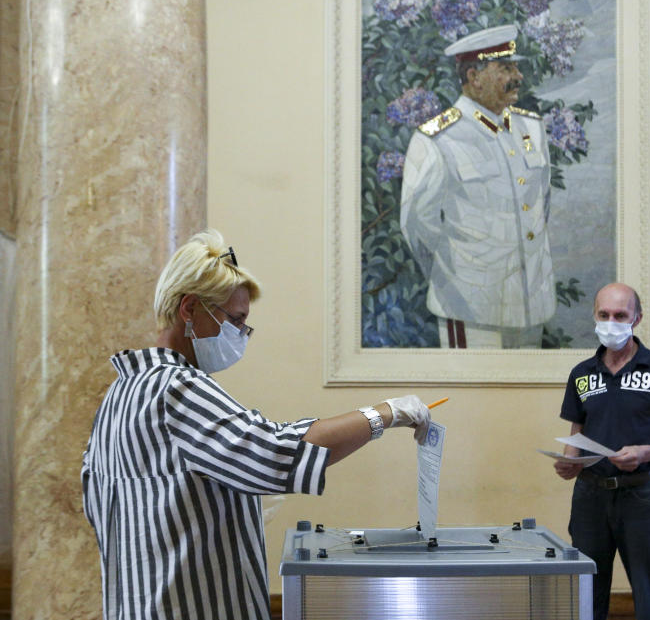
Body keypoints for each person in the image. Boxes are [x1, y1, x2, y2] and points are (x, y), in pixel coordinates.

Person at [81, 230, 431, 620]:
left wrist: (223, 505)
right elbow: (274, 451)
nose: (241, 335)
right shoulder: (178, 387)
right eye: (235, 320)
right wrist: (384, 414)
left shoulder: (122, 391)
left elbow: (108, 504)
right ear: (189, 309)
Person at [400, 24, 555, 349]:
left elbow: (541, 204)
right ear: (474, 77)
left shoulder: (532, 127)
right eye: (506, 69)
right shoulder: (438, 138)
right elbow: (417, 225)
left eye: (515, 67)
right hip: (470, 306)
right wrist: (455, 277)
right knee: (472, 396)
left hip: (531, 302)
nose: (518, 76)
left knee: (526, 396)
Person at [553, 282, 650, 620]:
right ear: (594, 316)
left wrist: (645, 453)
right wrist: (568, 463)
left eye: (620, 315)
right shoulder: (582, 374)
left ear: (637, 318)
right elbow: (577, 437)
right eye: (604, 315)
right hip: (589, 497)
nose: (611, 322)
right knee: (586, 596)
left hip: (639, 496)